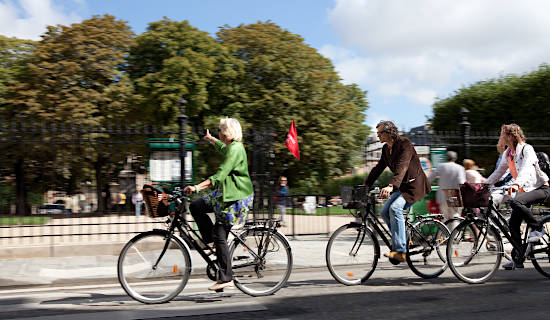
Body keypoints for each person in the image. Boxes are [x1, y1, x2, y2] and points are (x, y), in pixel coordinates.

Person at [183, 117, 254, 290]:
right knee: (196, 206)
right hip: (225, 194)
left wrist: (197, 187)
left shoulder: (236, 149)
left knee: (220, 234)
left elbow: (220, 175)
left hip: (236, 197)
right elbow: (223, 148)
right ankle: (211, 242)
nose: (220, 133)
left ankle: (226, 278)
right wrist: (211, 139)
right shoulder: (231, 147)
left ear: (229, 132)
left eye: (221, 130)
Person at [364, 121, 431, 263]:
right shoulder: (385, 149)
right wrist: (365, 185)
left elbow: (402, 166)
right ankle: (403, 238)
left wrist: (390, 186)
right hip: (401, 187)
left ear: (389, 133)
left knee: (395, 209)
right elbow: (378, 168)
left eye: (380, 133)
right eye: (377, 133)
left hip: (414, 186)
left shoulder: (405, 144)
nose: (378, 136)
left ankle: (400, 250)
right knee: (383, 212)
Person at [485, 124, 550, 270]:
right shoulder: (508, 153)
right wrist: (484, 184)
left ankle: (538, 229)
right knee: (513, 224)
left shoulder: (527, 149)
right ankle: (518, 257)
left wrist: (515, 184)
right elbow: (499, 172)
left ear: (509, 136)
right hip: (524, 191)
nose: (500, 137)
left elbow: (527, 170)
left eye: (502, 134)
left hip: (540, 188)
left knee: (515, 202)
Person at [428, 151, 466, 229]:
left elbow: (430, 178)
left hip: (442, 194)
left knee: (445, 216)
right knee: (455, 216)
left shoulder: (441, 166)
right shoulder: (460, 168)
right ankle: (454, 236)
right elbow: (461, 182)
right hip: (454, 193)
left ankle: (446, 236)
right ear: (455, 158)